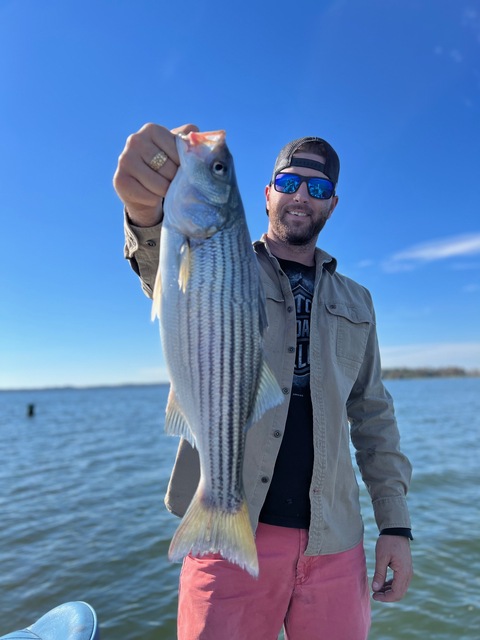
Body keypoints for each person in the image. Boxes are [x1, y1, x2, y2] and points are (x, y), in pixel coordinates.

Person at [113, 123, 413, 640]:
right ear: (268, 191)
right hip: (231, 525)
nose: (302, 196)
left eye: (317, 189)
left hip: (335, 540)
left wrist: (395, 524)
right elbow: (157, 270)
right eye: (290, 182)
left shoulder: (359, 301)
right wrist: (143, 212)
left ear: (332, 204)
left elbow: (373, 414)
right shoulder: (224, 260)